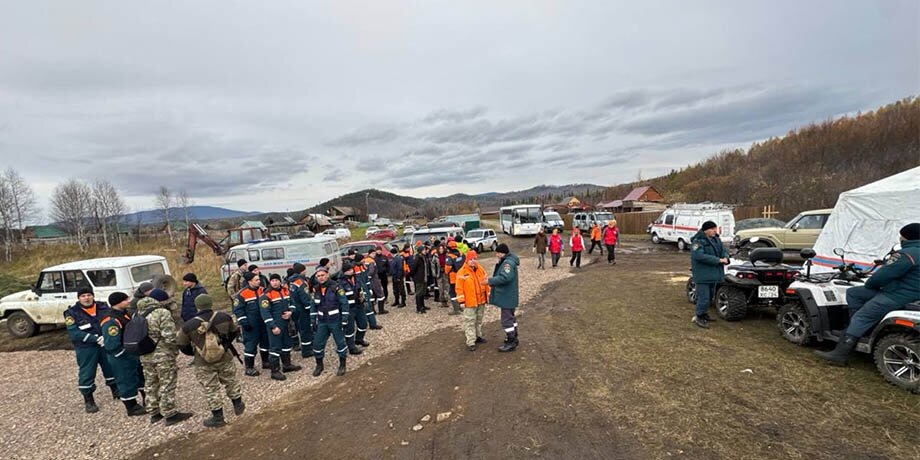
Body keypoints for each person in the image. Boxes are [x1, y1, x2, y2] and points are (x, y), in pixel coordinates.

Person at [815, 223, 920, 365]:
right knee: (854, 293)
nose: (900, 239)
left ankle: (840, 354)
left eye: (901, 236)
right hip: (909, 294)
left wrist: (870, 284)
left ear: (906, 237)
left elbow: (881, 277)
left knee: (861, 316)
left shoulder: (906, 254)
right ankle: (857, 328)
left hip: (898, 296)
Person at [176, 294, 246, 428]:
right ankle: (238, 405)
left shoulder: (189, 325)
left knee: (210, 388)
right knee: (230, 380)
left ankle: (218, 417)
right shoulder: (224, 317)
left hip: (203, 362)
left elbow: (182, 345)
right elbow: (234, 331)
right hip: (224, 357)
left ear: (197, 306)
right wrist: (224, 346)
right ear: (210, 303)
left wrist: (196, 353)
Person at [137, 289, 193, 425]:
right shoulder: (162, 313)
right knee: (167, 382)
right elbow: (170, 337)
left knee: (150, 383)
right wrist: (176, 350)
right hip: (162, 355)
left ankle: (154, 412)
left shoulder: (138, 313)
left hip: (145, 355)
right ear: (160, 301)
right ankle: (170, 413)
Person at [64, 287, 118, 413]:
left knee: (111, 367)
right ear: (79, 298)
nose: (86, 298)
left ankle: (116, 390)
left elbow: (111, 320)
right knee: (87, 372)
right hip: (86, 348)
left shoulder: (103, 307)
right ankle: (88, 399)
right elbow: (74, 333)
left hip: (104, 344)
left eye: (89, 295)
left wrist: (108, 336)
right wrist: (94, 339)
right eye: (83, 296)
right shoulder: (71, 313)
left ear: (93, 296)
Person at [100, 292, 146, 417]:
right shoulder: (111, 320)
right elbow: (112, 343)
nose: (129, 301)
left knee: (139, 377)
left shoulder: (124, 314)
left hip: (132, 353)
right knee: (125, 380)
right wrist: (122, 353)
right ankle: (131, 407)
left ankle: (146, 400)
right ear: (118, 302)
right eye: (126, 300)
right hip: (121, 356)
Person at [260, 274, 302, 380]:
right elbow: (265, 313)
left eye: (277, 280)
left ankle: (287, 365)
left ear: (280, 281)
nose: (275, 282)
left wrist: (290, 312)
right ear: (270, 282)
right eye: (273, 280)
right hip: (275, 325)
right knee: (275, 348)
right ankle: (274, 371)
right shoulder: (266, 295)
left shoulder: (286, 291)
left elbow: (292, 304)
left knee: (287, 345)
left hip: (286, 324)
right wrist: (273, 327)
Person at [310, 267, 350, 377]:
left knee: (340, 343)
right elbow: (313, 306)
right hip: (322, 322)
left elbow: (344, 304)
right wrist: (313, 320)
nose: (320, 278)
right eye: (318, 276)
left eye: (322, 275)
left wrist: (344, 320)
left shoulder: (336, 287)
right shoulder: (316, 289)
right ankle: (319, 365)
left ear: (327, 275)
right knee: (317, 344)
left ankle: (342, 365)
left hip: (335, 321)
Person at [690, 221, 729, 329]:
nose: (715, 231)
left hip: (714, 274)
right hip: (703, 274)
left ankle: (704, 314)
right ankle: (699, 316)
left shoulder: (716, 240)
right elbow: (699, 256)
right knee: (704, 297)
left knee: (711, 296)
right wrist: (718, 260)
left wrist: (726, 258)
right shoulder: (698, 242)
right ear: (706, 230)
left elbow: (724, 251)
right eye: (712, 229)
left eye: (715, 229)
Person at [485, 244, 521, 352]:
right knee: (511, 317)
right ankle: (514, 337)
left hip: (507, 296)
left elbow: (505, 278)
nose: (496, 255)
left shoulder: (507, 263)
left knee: (506, 319)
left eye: (497, 253)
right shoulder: (509, 261)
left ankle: (511, 341)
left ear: (502, 253)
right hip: (509, 296)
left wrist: (489, 281)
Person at [233, 273, 270, 376]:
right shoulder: (242, 294)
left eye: (259, 279)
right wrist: (244, 322)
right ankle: (249, 368)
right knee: (250, 345)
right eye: (256, 280)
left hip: (263, 323)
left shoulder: (263, 290)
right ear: (250, 282)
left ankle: (266, 362)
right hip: (250, 325)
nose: (259, 281)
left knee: (265, 343)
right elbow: (238, 310)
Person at [455, 251, 490, 351]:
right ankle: (471, 341)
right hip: (469, 302)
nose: (473, 261)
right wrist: (461, 301)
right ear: (467, 260)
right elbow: (459, 288)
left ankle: (478, 336)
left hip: (481, 300)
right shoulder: (462, 272)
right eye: (471, 259)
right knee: (470, 321)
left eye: (474, 259)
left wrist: (488, 295)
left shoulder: (480, 269)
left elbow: (486, 283)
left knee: (479, 320)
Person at [339, 260, 367, 354]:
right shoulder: (340, 282)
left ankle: (359, 339)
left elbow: (361, 289)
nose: (351, 271)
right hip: (349, 308)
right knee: (349, 329)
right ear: (344, 272)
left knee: (363, 324)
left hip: (359, 305)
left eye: (352, 269)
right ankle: (351, 347)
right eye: (349, 270)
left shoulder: (356, 278)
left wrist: (364, 298)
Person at [288, 263, 315, 361]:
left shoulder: (291, 281)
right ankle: (307, 350)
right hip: (302, 310)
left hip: (295, 309)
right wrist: (310, 309)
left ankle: (305, 347)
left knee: (300, 328)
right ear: (302, 271)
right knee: (305, 329)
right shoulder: (300, 282)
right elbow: (305, 297)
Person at [363, 248, 388, 319]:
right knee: (380, 295)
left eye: (374, 253)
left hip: (369, 281)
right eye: (373, 253)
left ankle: (373, 310)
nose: (374, 255)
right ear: (369, 254)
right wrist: (369, 277)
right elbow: (371, 271)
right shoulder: (372, 261)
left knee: (372, 296)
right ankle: (381, 310)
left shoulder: (365, 260)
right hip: (374, 280)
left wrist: (366, 279)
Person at [445, 241, 465, 315]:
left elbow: (448, 267)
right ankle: (460, 306)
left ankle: (456, 310)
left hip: (453, 277)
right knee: (459, 290)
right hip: (461, 275)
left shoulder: (449, 256)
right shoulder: (461, 254)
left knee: (452, 293)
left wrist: (446, 272)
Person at [409, 244, 429, 314]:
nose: (425, 251)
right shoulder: (417, 258)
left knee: (423, 292)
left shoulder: (423, 257)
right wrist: (412, 276)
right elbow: (413, 268)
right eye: (424, 250)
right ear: (420, 251)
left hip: (424, 277)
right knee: (419, 293)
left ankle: (423, 306)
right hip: (419, 278)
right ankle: (419, 308)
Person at [436, 244, 451, 308]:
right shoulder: (436, 256)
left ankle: (446, 300)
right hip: (439, 273)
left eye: (442, 249)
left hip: (446, 273)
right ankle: (442, 301)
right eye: (440, 249)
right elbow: (433, 265)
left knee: (446, 287)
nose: (441, 250)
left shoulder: (447, 256)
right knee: (440, 288)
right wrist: (435, 273)